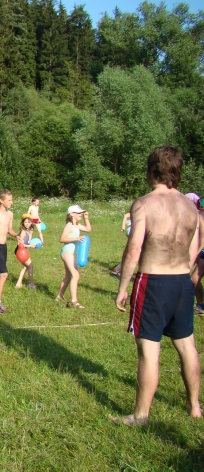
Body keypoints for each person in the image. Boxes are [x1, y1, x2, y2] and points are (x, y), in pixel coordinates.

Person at [111, 146, 202, 426]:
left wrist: (122, 287)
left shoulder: (144, 204)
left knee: (149, 351)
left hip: (153, 281)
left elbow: (133, 248)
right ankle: (194, 406)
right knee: (187, 345)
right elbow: (194, 250)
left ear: (152, 170)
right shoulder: (191, 207)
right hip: (182, 282)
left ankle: (141, 415)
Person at [55, 205, 91, 308]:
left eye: (81, 213)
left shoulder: (77, 225)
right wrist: (76, 238)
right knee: (75, 275)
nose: (81, 214)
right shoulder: (69, 225)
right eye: (78, 213)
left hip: (71, 253)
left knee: (69, 275)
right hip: (67, 252)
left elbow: (88, 229)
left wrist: (86, 218)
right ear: (71, 214)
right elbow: (61, 239)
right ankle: (74, 301)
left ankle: (59, 297)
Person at [15, 214, 37, 289]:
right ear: (23, 223)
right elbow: (19, 244)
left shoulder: (29, 230)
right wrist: (30, 246)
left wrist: (31, 234)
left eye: (29, 222)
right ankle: (31, 284)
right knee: (30, 265)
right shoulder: (23, 231)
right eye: (25, 222)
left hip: (23, 251)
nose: (27, 224)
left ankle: (18, 284)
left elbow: (29, 241)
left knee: (25, 267)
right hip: (20, 251)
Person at [111, 212, 132, 276]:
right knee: (133, 253)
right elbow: (126, 215)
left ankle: (119, 270)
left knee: (133, 253)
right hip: (132, 231)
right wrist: (123, 227)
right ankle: (117, 270)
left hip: (134, 231)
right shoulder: (140, 210)